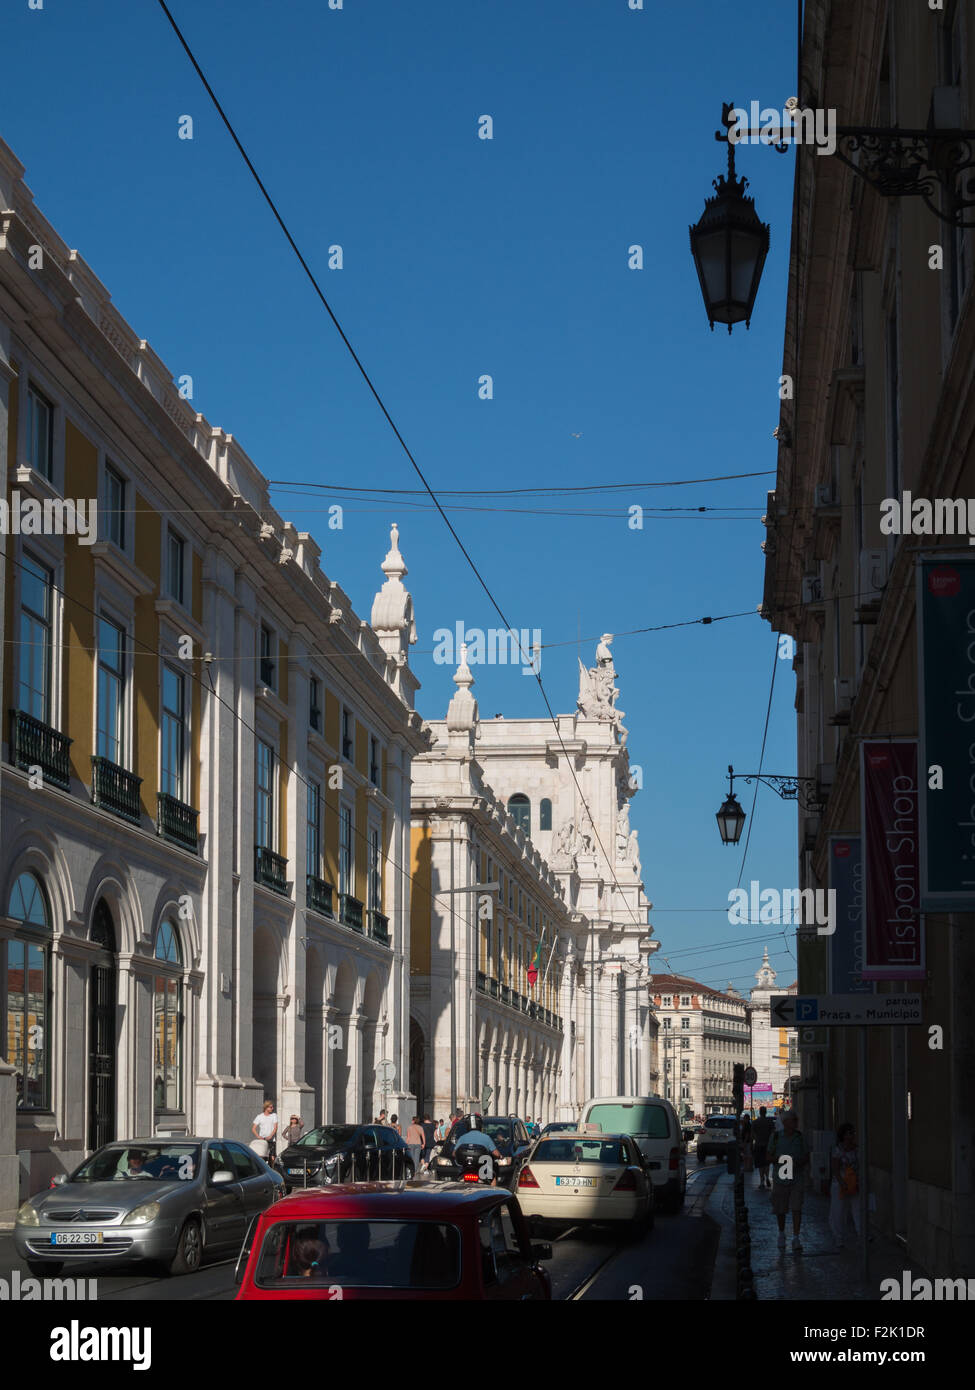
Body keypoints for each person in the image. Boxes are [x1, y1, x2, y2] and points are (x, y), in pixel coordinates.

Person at [767, 1110, 810, 1253]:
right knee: (781, 1209)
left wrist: (800, 1162)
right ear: (786, 1122)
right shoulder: (775, 1137)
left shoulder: (800, 1137)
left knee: (797, 1208)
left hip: (797, 1178)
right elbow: (768, 1156)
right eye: (794, 1120)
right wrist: (782, 1160)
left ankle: (796, 1238)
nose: (797, 1122)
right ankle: (781, 1233)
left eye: (796, 1120)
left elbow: (806, 1155)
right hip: (781, 1177)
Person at [829, 1122, 860, 1248]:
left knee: (858, 1210)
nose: (852, 1136)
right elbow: (835, 1169)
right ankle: (839, 1237)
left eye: (853, 1133)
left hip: (855, 1184)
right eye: (849, 1133)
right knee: (839, 1211)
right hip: (840, 1185)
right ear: (843, 1135)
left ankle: (861, 1234)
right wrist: (842, 1183)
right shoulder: (837, 1150)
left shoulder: (857, 1149)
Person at [454, 1117, 502, 1186]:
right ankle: (492, 1194)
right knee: (493, 1178)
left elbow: (454, 1153)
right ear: (480, 1126)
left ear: (468, 1126)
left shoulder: (462, 1137)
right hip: (482, 1169)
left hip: (465, 1169)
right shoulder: (486, 1137)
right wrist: (500, 1156)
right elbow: (496, 1154)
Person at [751, 1106, 775, 1190]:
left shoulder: (755, 1122)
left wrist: (756, 1138)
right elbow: (773, 1133)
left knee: (760, 1164)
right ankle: (767, 1177)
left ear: (760, 1112)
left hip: (758, 1145)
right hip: (767, 1145)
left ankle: (762, 1181)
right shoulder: (770, 1122)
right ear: (766, 1112)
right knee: (767, 1163)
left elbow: (752, 1134)